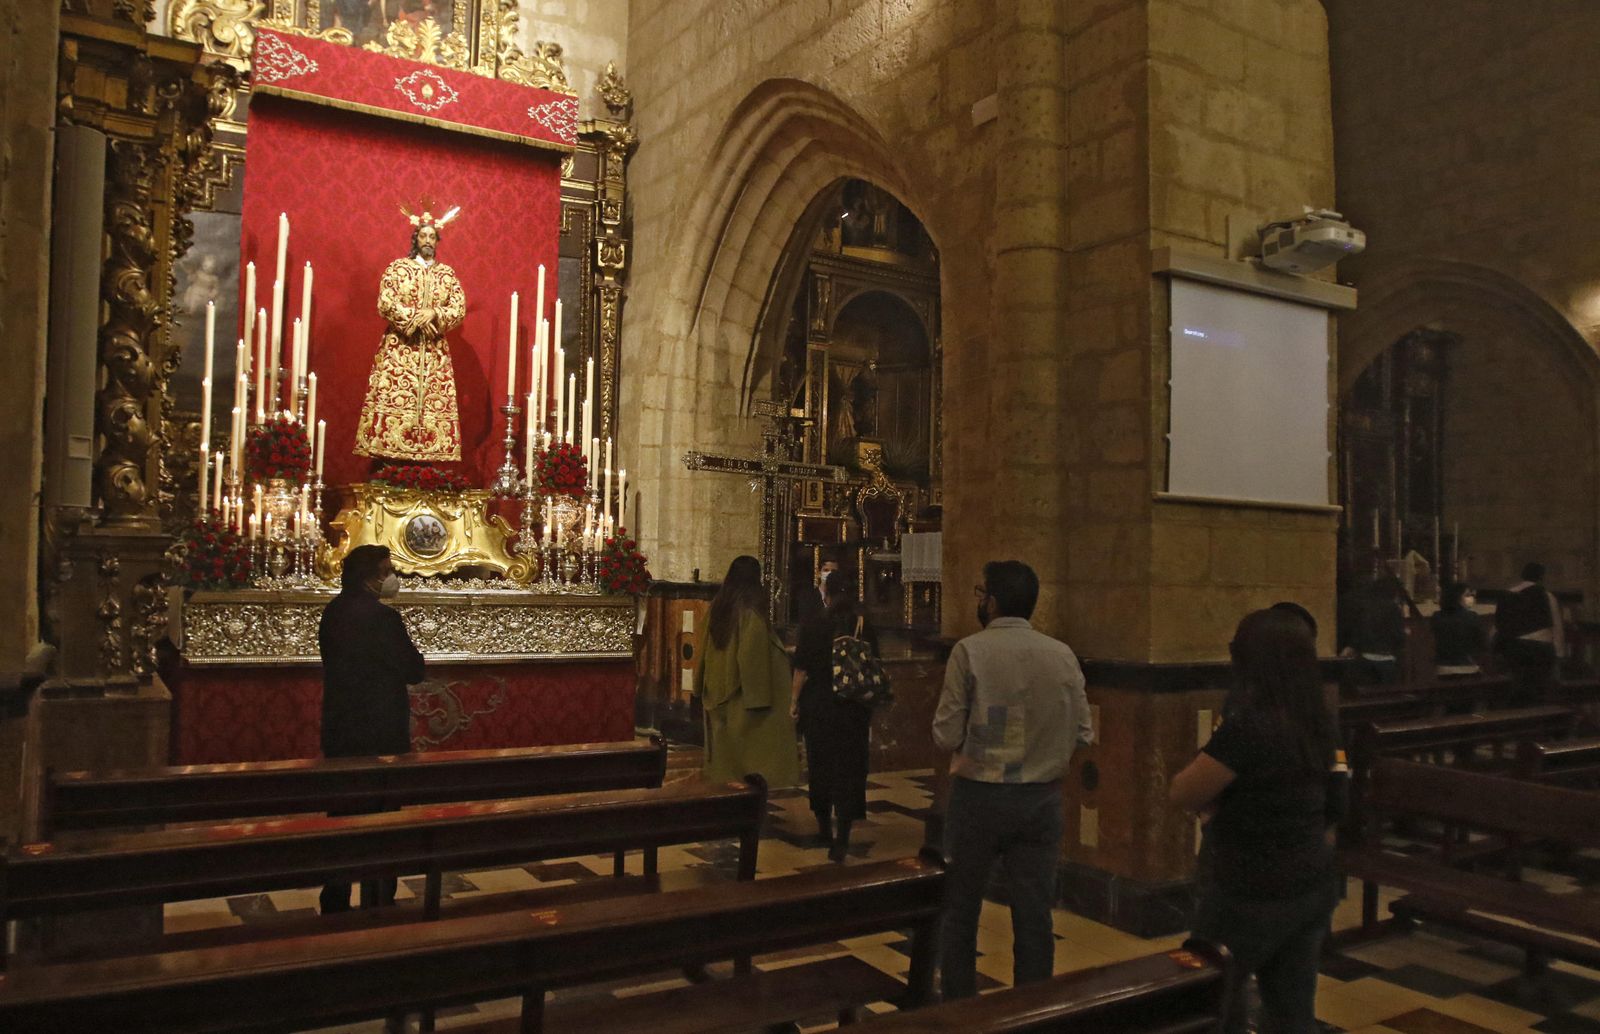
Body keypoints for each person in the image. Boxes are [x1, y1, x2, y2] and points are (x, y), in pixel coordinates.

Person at [1170, 609, 1343, 1034]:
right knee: (1291, 1009)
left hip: (1249, 887)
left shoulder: (1249, 727)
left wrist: (1215, 808)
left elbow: (1184, 792)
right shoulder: (1319, 721)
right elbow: (1336, 799)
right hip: (1310, 880)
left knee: (1215, 997)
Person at [933, 560, 1092, 1001]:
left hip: (979, 797)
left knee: (960, 909)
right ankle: (1032, 1010)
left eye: (980, 592)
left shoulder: (970, 651)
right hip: (1042, 800)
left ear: (993, 601)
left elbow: (945, 734)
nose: (978, 600)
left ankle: (960, 1009)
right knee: (1035, 914)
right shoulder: (1061, 654)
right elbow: (1083, 732)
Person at [318, 544, 425, 913]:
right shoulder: (383, 618)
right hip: (381, 731)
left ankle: (335, 896)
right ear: (370, 577)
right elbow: (413, 670)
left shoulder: (332, 612)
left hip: (341, 729)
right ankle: (379, 897)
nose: (391, 577)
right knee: (382, 819)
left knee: (342, 815)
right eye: (386, 571)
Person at [354, 207, 466, 463]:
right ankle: (388, 459)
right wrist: (417, 318)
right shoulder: (397, 269)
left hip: (434, 353)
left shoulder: (447, 275)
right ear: (416, 239)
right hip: (400, 350)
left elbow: (458, 308)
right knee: (393, 400)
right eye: (423, 236)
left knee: (432, 407)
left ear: (437, 241)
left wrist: (434, 313)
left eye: (432, 236)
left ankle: (428, 462)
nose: (427, 240)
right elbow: (386, 302)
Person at [693, 555, 800, 788]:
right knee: (749, 758)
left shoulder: (717, 607)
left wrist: (699, 683)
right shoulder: (750, 613)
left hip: (716, 688)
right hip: (741, 693)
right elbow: (751, 657)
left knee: (724, 756)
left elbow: (701, 647)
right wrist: (759, 698)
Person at [790, 572, 875, 862]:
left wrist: (794, 702)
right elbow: (874, 663)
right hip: (853, 707)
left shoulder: (815, 624)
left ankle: (824, 828)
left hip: (820, 705)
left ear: (826, 593)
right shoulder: (863, 625)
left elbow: (802, 668)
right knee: (849, 769)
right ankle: (843, 837)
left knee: (821, 766)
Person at [1495, 562, 1563, 704]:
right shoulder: (1547, 596)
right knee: (1539, 688)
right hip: (1540, 648)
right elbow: (1556, 625)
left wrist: (1499, 647)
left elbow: (1499, 624)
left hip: (1515, 647)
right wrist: (1558, 652)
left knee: (1518, 686)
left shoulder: (1507, 594)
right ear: (1541, 577)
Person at [1337, 574, 1408, 685]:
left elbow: (1359, 632)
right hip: (1386, 659)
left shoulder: (1366, 607)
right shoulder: (1393, 608)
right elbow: (1398, 636)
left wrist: (1352, 647)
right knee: (1387, 692)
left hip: (1366, 657)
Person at [1432, 582, 1486, 677]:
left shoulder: (1437, 617)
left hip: (1443, 669)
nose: (1471, 598)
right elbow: (1483, 643)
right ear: (1456, 597)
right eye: (1467, 595)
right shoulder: (1472, 617)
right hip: (1468, 666)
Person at [795, 555, 839, 624]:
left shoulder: (841, 598)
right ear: (819, 573)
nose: (830, 574)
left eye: (833, 571)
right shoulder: (807, 597)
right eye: (826, 570)